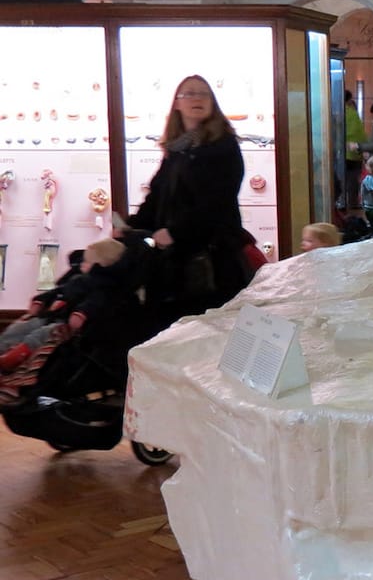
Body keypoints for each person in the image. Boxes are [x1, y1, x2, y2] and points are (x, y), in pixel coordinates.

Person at [125, 74, 251, 315]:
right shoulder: (178, 149)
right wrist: (130, 227)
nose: (197, 98)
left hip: (209, 258)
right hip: (175, 258)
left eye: (204, 93)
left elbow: (216, 202)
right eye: (189, 93)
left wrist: (175, 233)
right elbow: (158, 195)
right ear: (177, 103)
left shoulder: (222, 147)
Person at [0, 238, 132, 371]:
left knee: (44, 333)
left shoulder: (104, 287)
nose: (82, 264)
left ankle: (17, 355)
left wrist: (81, 313)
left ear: (101, 265)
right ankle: (3, 347)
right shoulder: (79, 279)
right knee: (23, 326)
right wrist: (41, 299)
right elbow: (58, 291)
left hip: (70, 325)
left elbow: (95, 302)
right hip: (55, 316)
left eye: (87, 262)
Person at [343, 90, 365, 208]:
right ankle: (352, 203)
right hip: (353, 154)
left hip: (339, 153)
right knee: (353, 181)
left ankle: (341, 203)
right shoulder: (352, 113)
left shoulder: (333, 112)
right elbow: (360, 135)